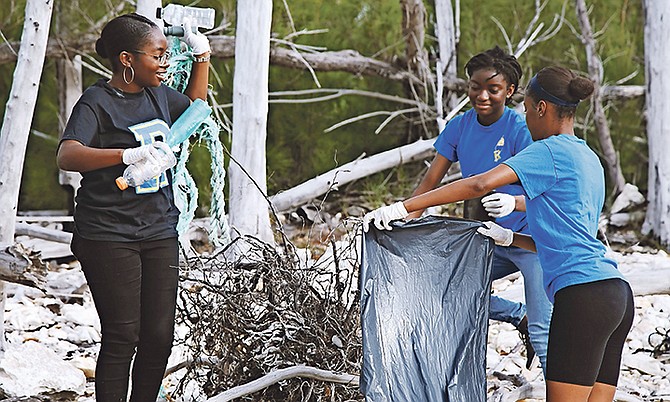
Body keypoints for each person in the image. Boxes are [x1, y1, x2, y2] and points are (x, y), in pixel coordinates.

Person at [363, 66, 634, 402]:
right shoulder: (588, 157)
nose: (525, 119)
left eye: (525, 108)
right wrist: (510, 239)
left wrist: (403, 208)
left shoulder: (548, 150)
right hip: (617, 295)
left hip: (582, 297)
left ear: (541, 108)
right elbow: (570, 238)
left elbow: (479, 183)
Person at [56, 13, 211, 401]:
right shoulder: (97, 101)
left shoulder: (158, 93)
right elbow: (67, 154)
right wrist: (126, 154)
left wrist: (203, 56)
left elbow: (195, 108)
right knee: (124, 334)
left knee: (159, 336)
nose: (165, 62)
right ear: (127, 59)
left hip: (159, 230)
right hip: (107, 233)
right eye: (157, 55)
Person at [406, 46, 552, 371]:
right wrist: (405, 215)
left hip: (528, 241)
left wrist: (514, 203)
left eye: (492, 88)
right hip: (485, 237)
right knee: (447, 292)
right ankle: (517, 316)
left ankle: (558, 386)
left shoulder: (520, 130)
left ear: (509, 91)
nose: (482, 95)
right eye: (475, 86)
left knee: (544, 333)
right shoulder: (460, 127)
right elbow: (432, 178)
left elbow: (548, 196)